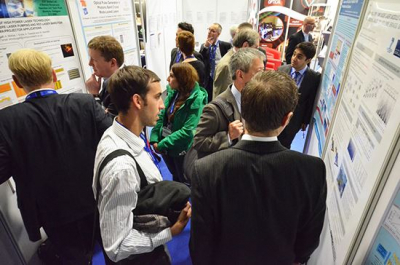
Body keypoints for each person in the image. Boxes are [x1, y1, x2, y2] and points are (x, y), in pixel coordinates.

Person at [190, 70, 327, 265]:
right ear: (286, 119)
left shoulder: (206, 169)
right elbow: (309, 238)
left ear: (243, 111)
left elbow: (200, 244)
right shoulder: (312, 170)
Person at [0, 49, 112, 264]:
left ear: (16, 81)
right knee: (111, 248)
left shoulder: (6, 120)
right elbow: (113, 139)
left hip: (52, 212)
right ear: (53, 74)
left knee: (74, 258)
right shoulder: (85, 103)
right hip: (96, 197)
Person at [93, 65, 191, 263]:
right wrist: (171, 232)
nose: (162, 105)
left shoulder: (115, 134)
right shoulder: (122, 168)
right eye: (156, 97)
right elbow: (117, 246)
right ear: (138, 101)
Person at [193, 47, 265, 156]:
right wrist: (228, 136)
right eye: (259, 72)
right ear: (240, 75)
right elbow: (199, 142)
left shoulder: (258, 99)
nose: (263, 77)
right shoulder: (214, 109)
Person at [150, 63, 208, 183]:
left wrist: (161, 145)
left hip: (181, 149)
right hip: (167, 145)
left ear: (182, 79)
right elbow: (161, 115)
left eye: (171, 76)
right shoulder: (174, 92)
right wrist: (155, 137)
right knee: (175, 175)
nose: (167, 79)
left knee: (184, 178)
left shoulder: (197, 99)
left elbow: (188, 132)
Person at [278, 42, 321, 149]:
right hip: (277, 114)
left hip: (295, 118)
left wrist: (305, 121)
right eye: (294, 54)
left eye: (299, 57)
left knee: (285, 144)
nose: (294, 58)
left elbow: (310, 101)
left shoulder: (313, 78)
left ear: (308, 60)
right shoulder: (282, 70)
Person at [212, 28, 260, 99]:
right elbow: (222, 99)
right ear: (245, 45)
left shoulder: (240, 60)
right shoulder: (227, 66)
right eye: (255, 47)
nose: (257, 51)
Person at [85, 35, 124, 116]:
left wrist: (94, 94)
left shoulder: (120, 86)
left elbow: (106, 123)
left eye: (94, 60)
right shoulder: (110, 81)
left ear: (112, 63)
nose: (90, 63)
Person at [200, 23, 232, 102]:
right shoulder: (204, 46)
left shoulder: (226, 45)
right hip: (208, 77)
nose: (209, 32)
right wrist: (206, 46)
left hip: (220, 75)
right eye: (209, 30)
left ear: (218, 34)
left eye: (213, 31)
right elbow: (200, 59)